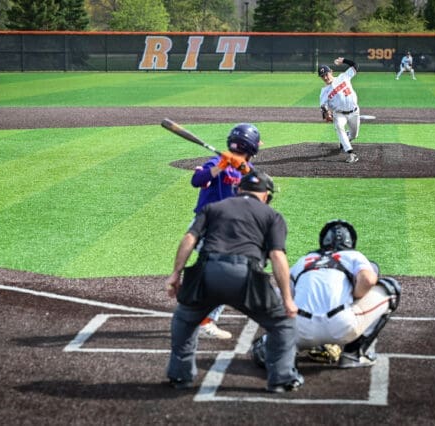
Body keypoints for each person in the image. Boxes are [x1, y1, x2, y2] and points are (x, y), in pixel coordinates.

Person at [165, 169, 303, 393]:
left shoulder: (214, 208)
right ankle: (281, 379)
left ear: (238, 190)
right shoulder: (272, 216)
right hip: (245, 278)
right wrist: (287, 299)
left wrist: (175, 274)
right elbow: (278, 256)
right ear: (266, 196)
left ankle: (180, 377)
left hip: (207, 273)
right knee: (282, 324)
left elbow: (190, 238)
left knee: (184, 320)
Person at [251, 219, 401, 369]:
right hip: (341, 326)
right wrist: (354, 298)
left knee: (280, 299)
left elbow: (284, 296)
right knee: (391, 288)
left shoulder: (304, 260)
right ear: (351, 242)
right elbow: (368, 280)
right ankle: (353, 354)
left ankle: (284, 349)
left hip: (300, 329)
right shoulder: (353, 256)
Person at [190, 123, 261, 340]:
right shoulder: (216, 162)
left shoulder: (247, 170)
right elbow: (197, 180)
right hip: (206, 227)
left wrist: (244, 169)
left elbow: (260, 189)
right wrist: (220, 166)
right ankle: (206, 320)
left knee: (224, 275)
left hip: (227, 230)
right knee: (226, 275)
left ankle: (200, 310)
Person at [318, 57, 361, 164]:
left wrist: (344, 61)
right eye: (322, 76)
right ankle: (351, 154)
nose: (325, 77)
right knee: (339, 127)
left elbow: (355, 66)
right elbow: (323, 106)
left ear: (331, 72)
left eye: (326, 74)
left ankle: (346, 138)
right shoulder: (324, 91)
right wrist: (326, 114)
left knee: (354, 135)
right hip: (339, 114)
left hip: (354, 112)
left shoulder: (343, 77)